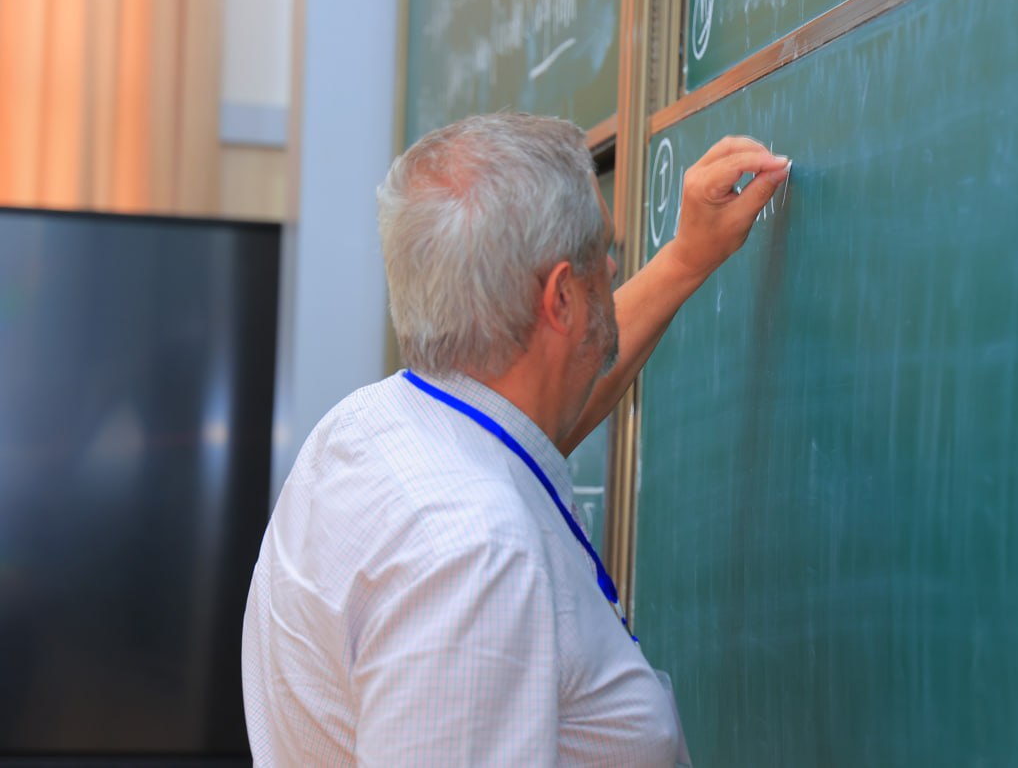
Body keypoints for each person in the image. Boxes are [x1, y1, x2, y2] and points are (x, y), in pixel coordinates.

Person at [242, 112, 790, 766]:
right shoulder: (473, 554)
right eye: (599, 258)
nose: (613, 268)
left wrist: (684, 260)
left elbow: (541, 406)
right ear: (560, 297)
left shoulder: (368, 430)